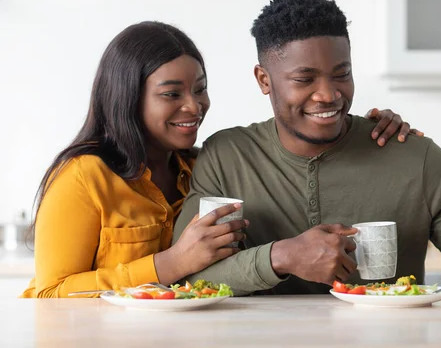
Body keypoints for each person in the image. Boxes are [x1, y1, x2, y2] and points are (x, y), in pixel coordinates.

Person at [173, 0, 441, 295]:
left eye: (341, 74)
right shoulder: (226, 157)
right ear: (264, 80)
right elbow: (189, 277)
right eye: (305, 80)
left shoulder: (415, 157)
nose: (328, 94)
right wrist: (279, 256)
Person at [21, 21, 417, 298]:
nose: (194, 106)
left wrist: (364, 131)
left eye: (200, 88)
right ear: (128, 97)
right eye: (172, 94)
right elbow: (51, 292)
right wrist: (169, 264)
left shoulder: (201, 166)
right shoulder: (82, 177)